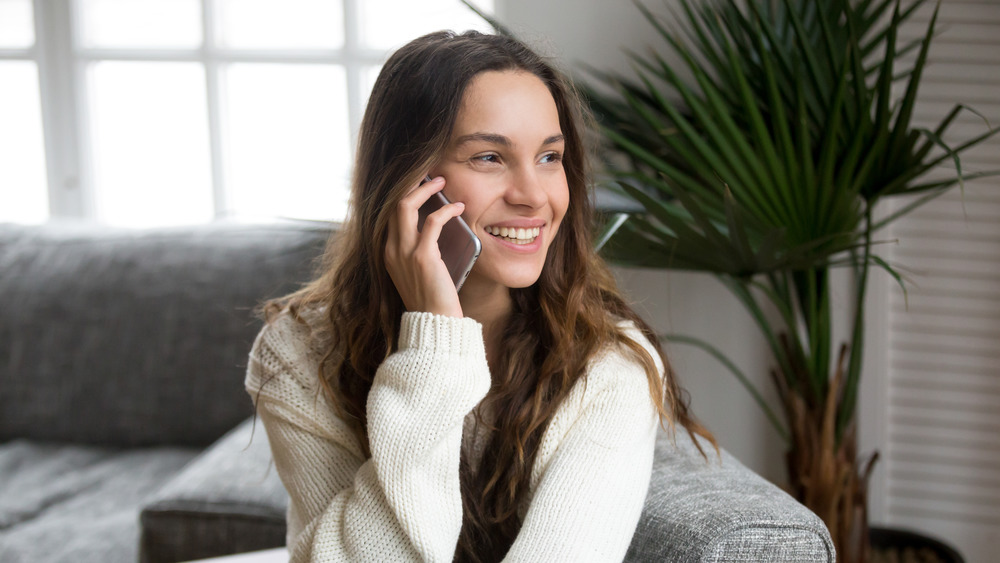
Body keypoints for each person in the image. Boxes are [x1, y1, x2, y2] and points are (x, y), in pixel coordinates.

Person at [245, 30, 714, 563]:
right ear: (409, 182)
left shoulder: (608, 367)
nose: (534, 195)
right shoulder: (297, 351)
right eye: (489, 157)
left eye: (549, 156)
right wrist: (435, 348)